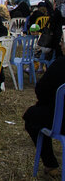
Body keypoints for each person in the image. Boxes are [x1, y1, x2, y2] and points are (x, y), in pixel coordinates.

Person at [23, 38, 65, 178]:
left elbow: (41, 90)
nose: (60, 44)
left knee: (32, 115)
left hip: (59, 122)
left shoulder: (60, 65)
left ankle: (50, 164)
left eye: (63, 41)